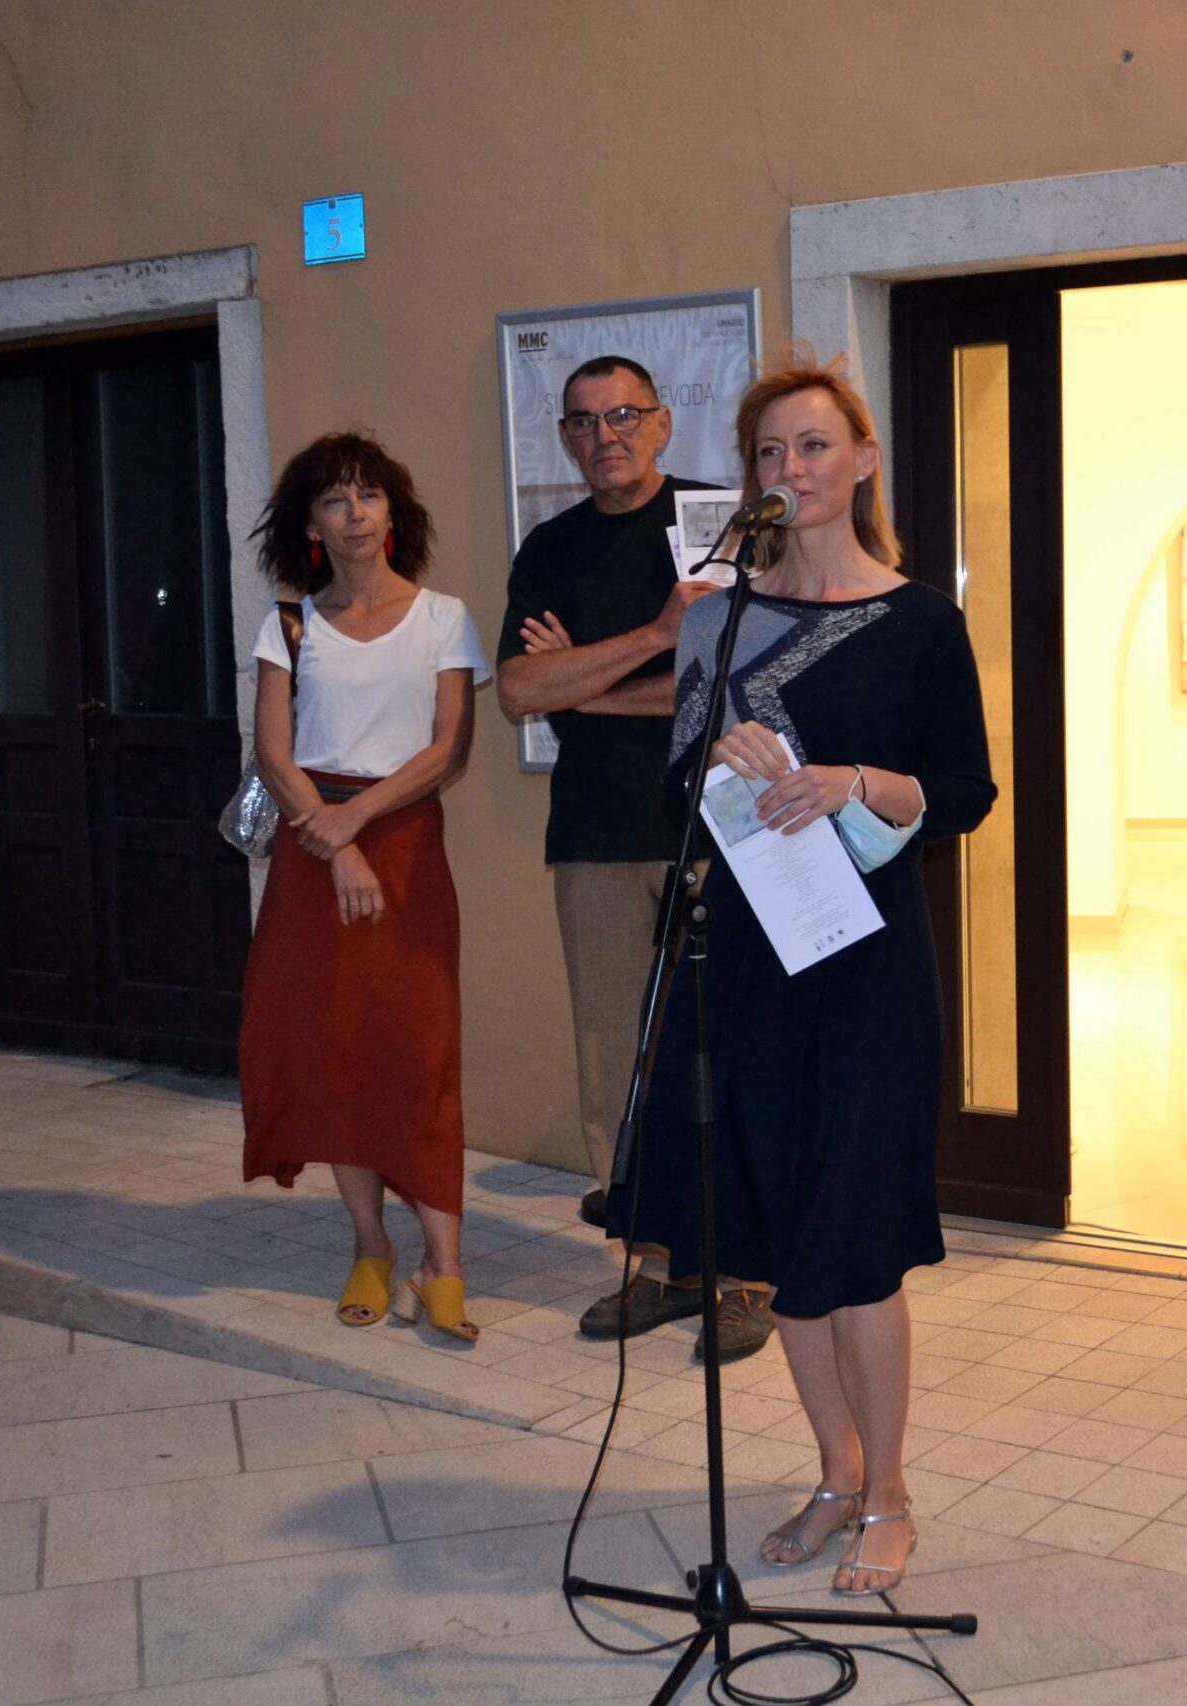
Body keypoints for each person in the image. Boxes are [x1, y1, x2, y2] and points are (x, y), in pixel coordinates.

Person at [622, 357, 995, 1595]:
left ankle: (890, 1489)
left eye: (815, 445)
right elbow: (676, 790)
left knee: (857, 1233)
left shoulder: (920, 619)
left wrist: (852, 783)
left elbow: (968, 791)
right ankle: (834, 1473)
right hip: (747, 954)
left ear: (864, 458)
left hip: (869, 962)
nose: (792, 469)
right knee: (778, 1231)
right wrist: (721, 765)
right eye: (771, 452)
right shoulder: (719, 617)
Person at [495, 355, 775, 1361]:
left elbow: (744, 679)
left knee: (732, 1050)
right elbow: (520, 691)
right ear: (565, 439)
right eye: (583, 421)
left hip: (723, 828)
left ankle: (744, 1275)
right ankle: (658, 1264)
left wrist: (589, 683)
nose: (604, 435)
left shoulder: (723, 529)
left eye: (623, 415)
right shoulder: (552, 547)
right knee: (617, 1060)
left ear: (659, 423)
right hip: (598, 834)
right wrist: (660, 633)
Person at [240, 431, 492, 1343]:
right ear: (310, 524)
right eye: (335, 500)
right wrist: (335, 841)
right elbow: (275, 754)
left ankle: (446, 1266)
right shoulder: (289, 625)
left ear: (394, 512)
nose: (355, 514)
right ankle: (371, 1245)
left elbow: (447, 749)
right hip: (313, 853)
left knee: (419, 1052)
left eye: (370, 495)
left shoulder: (443, 617)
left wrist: (359, 822)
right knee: (336, 1050)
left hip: (407, 844)